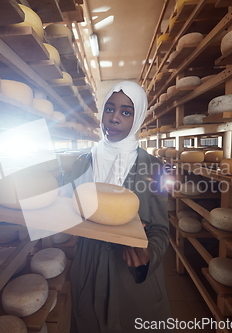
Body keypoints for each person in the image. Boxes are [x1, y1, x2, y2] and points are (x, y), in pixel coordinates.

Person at [68, 81, 172, 332]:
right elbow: (69, 214)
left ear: (137, 119)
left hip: (131, 273)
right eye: (109, 109)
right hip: (88, 267)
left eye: (126, 112)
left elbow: (160, 228)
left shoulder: (155, 168)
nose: (114, 118)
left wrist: (149, 255)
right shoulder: (82, 163)